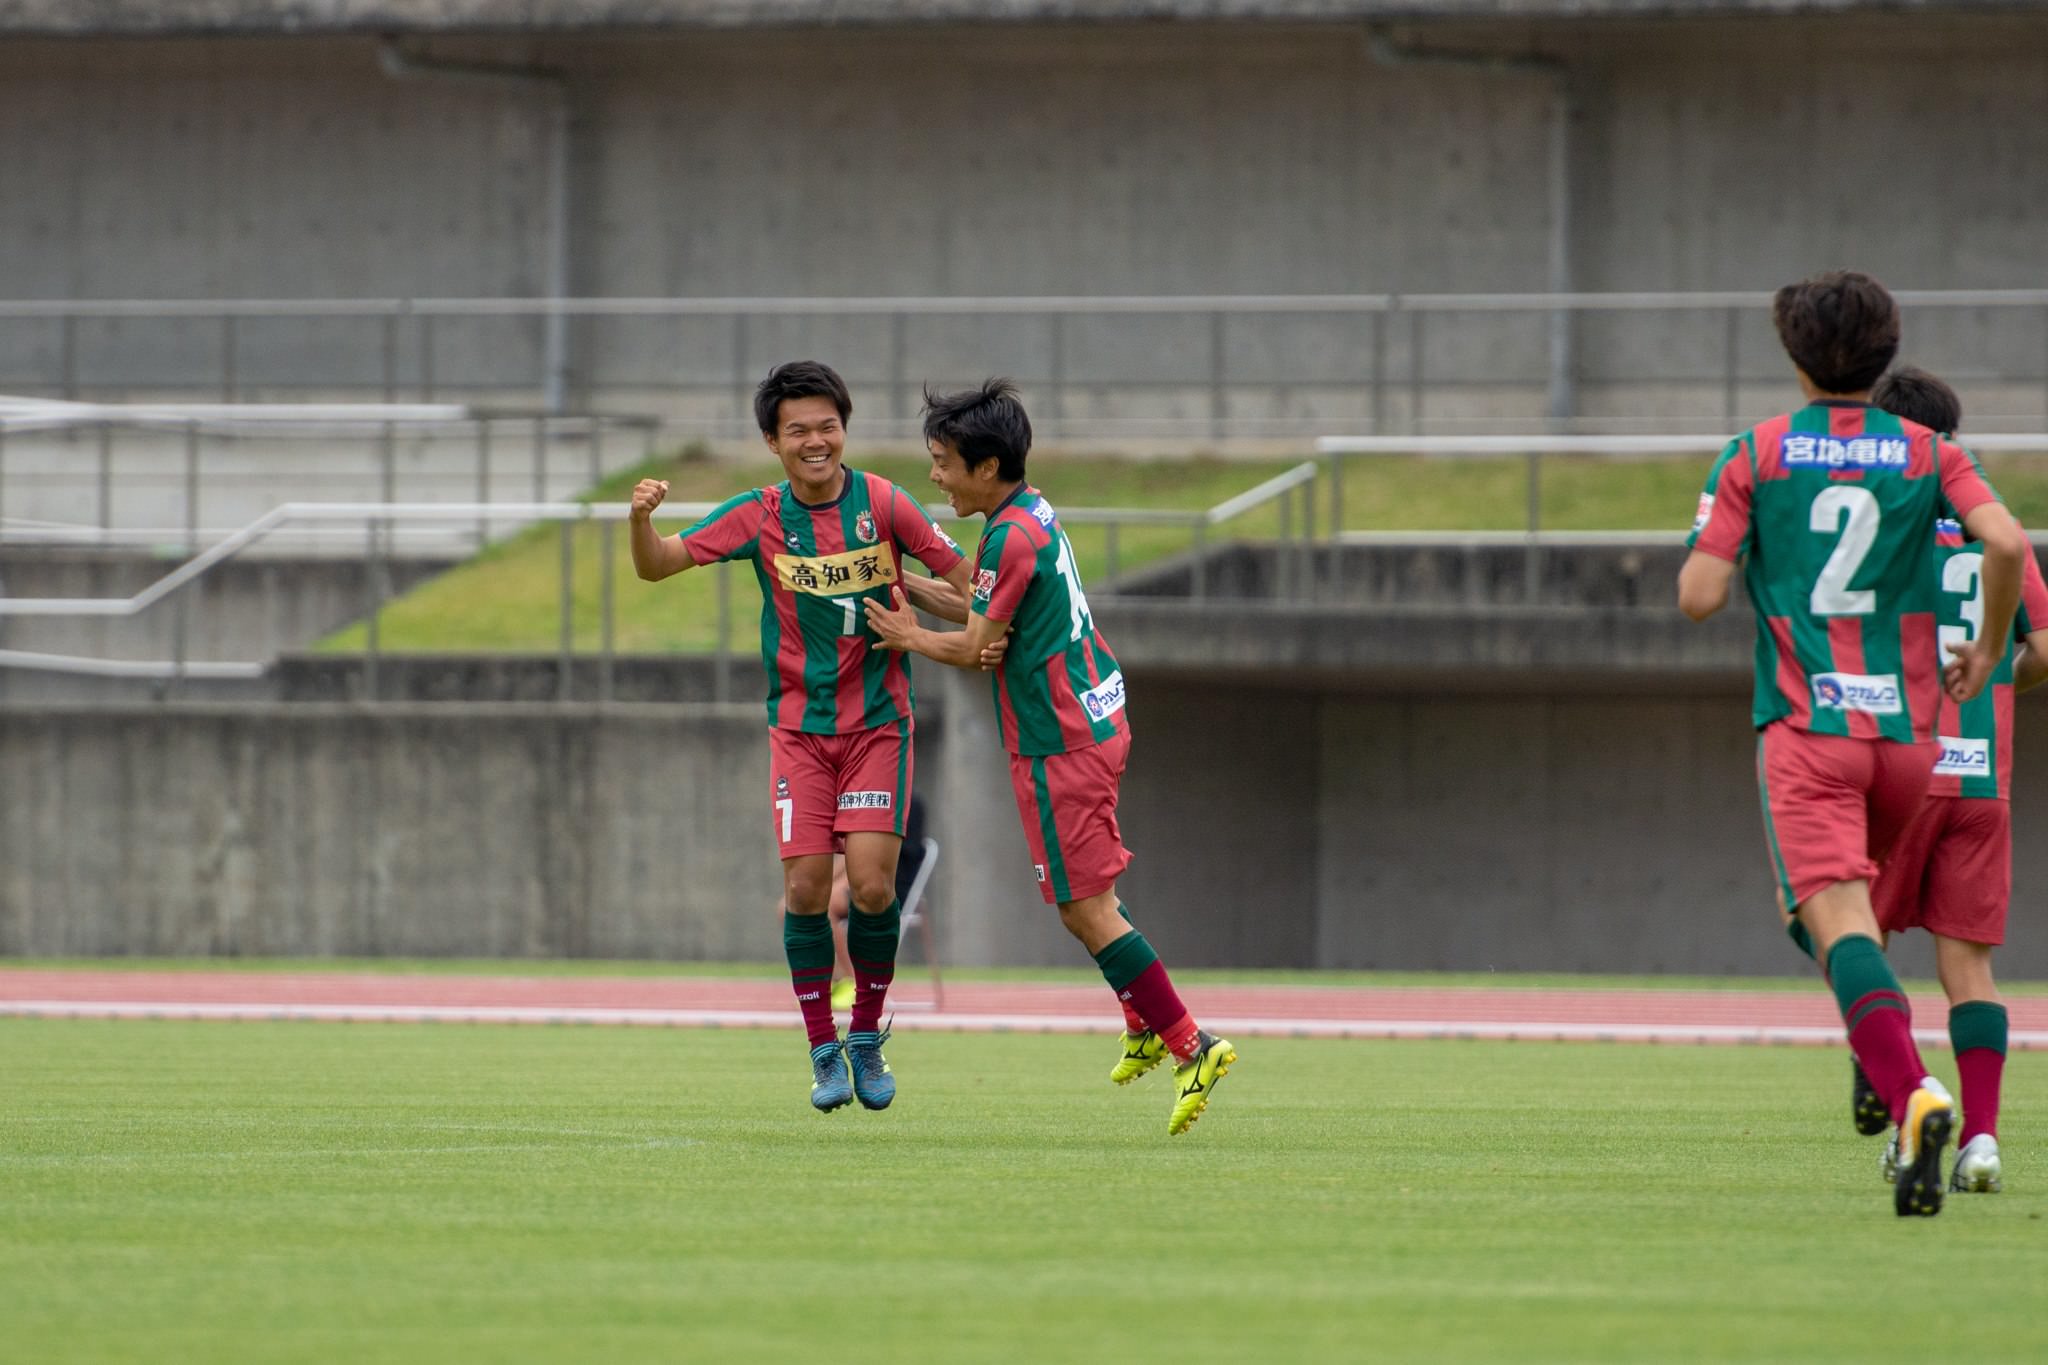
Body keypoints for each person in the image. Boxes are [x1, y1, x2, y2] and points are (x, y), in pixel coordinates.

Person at [1676, 271, 2027, 1216]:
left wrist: (1748, 550)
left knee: (1827, 920)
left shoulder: (1757, 452)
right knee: (1851, 922)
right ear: (1884, 352)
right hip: (1911, 744)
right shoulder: (1928, 452)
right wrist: (1988, 647)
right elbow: (2002, 543)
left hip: (1810, 731)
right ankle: (1908, 1082)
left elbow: (1700, 597)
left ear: (1795, 358)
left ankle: (1910, 1088)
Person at [865, 378, 1237, 1137]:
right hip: (1089, 718)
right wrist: (906, 585)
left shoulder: (1007, 537)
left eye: (944, 462)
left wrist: (908, 637)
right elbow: (986, 617)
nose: (935, 476)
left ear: (987, 465)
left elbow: (977, 646)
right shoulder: (1027, 514)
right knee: (1089, 898)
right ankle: (1140, 1020)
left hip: (1059, 738)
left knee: (1082, 907)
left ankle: (1191, 1044)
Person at [629, 361, 973, 1114]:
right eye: (798, 431)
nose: (816, 441)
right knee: (806, 889)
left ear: (844, 429)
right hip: (799, 732)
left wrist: (927, 605)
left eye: (828, 427)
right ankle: (823, 1049)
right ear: (773, 441)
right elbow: (657, 567)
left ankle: (866, 1036)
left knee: (874, 887)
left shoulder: (885, 502)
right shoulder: (756, 515)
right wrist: (639, 521)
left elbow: (972, 584)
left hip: (879, 726)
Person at [1851, 366, 2048, 1194]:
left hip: (1900, 767)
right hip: (1981, 779)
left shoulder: (1878, 522)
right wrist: (1994, 679)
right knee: (1969, 969)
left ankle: (1900, 1085)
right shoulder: (1994, 525)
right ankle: (1983, 1138)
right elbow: (2044, 650)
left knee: (1857, 939)